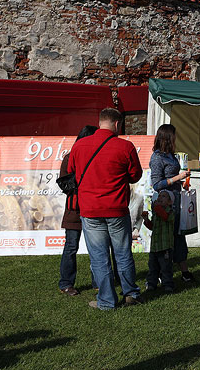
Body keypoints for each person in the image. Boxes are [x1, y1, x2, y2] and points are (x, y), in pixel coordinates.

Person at [68, 108, 143, 310]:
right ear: (117, 124)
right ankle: (131, 294)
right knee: (123, 254)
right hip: (116, 209)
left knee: (99, 258)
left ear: (100, 122)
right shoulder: (125, 146)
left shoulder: (79, 146)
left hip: (90, 210)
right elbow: (135, 175)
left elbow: (71, 173)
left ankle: (107, 300)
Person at [149, 124, 194, 283]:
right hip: (164, 202)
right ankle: (162, 272)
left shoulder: (170, 155)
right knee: (167, 238)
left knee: (179, 235)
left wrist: (182, 183)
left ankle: (184, 270)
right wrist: (177, 178)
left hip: (175, 199)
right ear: (167, 138)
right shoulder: (157, 157)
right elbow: (156, 184)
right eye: (173, 136)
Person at [58, 125, 98, 296]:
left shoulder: (97, 157)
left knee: (97, 247)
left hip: (93, 207)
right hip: (75, 209)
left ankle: (99, 281)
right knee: (71, 246)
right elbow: (64, 183)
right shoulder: (70, 158)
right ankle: (66, 283)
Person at [142, 190, 175, 293]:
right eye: (159, 196)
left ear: (169, 202)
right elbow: (153, 227)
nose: (160, 198)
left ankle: (168, 284)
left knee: (166, 267)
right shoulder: (157, 212)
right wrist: (146, 220)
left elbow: (165, 217)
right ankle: (151, 283)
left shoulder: (170, 211)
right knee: (153, 267)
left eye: (164, 196)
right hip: (155, 246)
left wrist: (156, 207)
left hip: (165, 247)